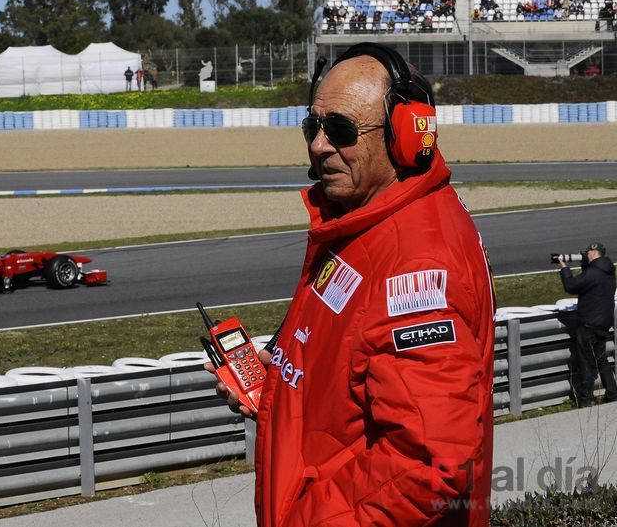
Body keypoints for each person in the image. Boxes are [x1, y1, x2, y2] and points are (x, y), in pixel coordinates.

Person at [212, 43, 495, 526]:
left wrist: (308, 520)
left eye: (340, 130)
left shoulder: (415, 264)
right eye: (312, 127)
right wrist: (283, 383)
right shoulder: (365, 222)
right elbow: (356, 372)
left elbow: (430, 464)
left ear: (405, 136)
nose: (319, 145)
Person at [558, 242, 617, 406]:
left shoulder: (593, 273)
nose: (586, 254)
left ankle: (586, 399)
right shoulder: (607, 270)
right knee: (601, 360)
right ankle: (612, 394)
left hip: (589, 325)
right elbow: (589, 283)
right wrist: (585, 265)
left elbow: (571, 286)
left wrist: (564, 267)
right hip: (603, 323)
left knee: (586, 363)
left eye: (588, 252)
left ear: (594, 253)